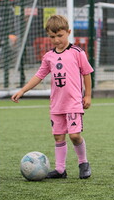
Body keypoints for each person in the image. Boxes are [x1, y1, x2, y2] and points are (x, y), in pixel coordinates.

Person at [10, 14, 94, 179]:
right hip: (57, 104)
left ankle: (83, 162)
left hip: (74, 102)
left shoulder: (77, 52)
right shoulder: (49, 56)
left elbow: (87, 73)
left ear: (68, 32)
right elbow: (39, 76)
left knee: (74, 135)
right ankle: (60, 170)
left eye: (60, 36)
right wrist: (23, 90)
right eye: (52, 37)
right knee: (58, 136)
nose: (56, 40)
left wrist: (88, 95)